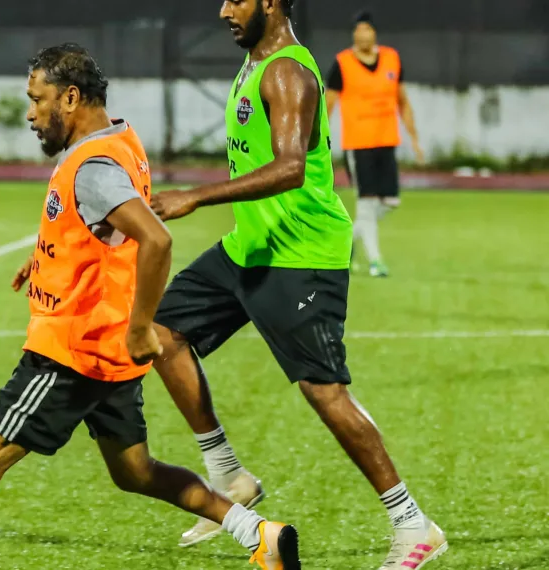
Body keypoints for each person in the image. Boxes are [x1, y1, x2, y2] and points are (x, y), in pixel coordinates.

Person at [0, 43, 301, 570]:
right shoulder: (119, 139)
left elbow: (156, 240)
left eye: (37, 100)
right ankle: (258, 533)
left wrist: (143, 327)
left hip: (73, 351)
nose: (30, 114)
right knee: (135, 471)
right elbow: (104, 232)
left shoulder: (93, 167)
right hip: (108, 348)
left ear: (70, 98)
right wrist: (45, 255)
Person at [149, 1, 447, 568]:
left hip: (301, 254)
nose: (223, 10)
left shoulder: (287, 71)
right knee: (162, 332)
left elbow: (290, 167)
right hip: (252, 245)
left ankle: (413, 524)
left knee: (324, 391)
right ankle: (228, 476)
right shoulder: (254, 61)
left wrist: (196, 195)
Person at [326, 11, 423, 278]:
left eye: (367, 29)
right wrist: (318, 139)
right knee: (366, 204)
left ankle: (345, 241)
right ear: (353, 35)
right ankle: (376, 262)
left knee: (390, 201)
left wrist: (414, 139)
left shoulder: (392, 59)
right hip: (358, 145)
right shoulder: (342, 63)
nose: (362, 35)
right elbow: (328, 104)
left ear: (374, 33)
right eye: (358, 30)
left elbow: (403, 101)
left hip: (386, 141)